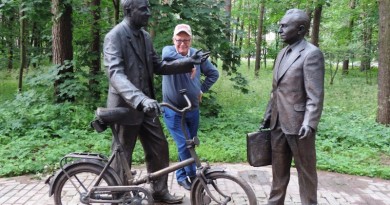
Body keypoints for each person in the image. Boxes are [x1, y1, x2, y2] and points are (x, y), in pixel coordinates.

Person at [103, 0, 209, 203]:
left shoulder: (144, 37)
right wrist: (140, 99)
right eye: (144, 9)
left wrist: (188, 63)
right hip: (125, 107)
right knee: (123, 152)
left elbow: (158, 66)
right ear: (128, 10)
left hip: (147, 107)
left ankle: (159, 190)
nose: (149, 13)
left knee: (159, 147)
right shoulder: (114, 37)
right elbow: (115, 74)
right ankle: (119, 195)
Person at [260, 9, 325, 205]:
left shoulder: (312, 54)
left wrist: (310, 122)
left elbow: (315, 94)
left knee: (306, 171)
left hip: (299, 125)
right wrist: (268, 114)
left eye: (284, 26)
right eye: (280, 25)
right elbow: (276, 90)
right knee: (278, 170)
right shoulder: (281, 53)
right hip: (278, 122)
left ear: (301, 29)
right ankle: (275, 202)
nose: (279, 29)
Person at [161, 24, 219, 190]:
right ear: (174, 40)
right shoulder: (168, 52)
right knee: (184, 145)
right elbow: (166, 55)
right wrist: (189, 63)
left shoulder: (197, 55)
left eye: (186, 40)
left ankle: (180, 177)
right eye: (179, 40)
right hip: (173, 110)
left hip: (192, 110)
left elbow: (214, 73)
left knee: (189, 145)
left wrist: (201, 89)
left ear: (191, 40)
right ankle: (195, 177)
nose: (182, 44)